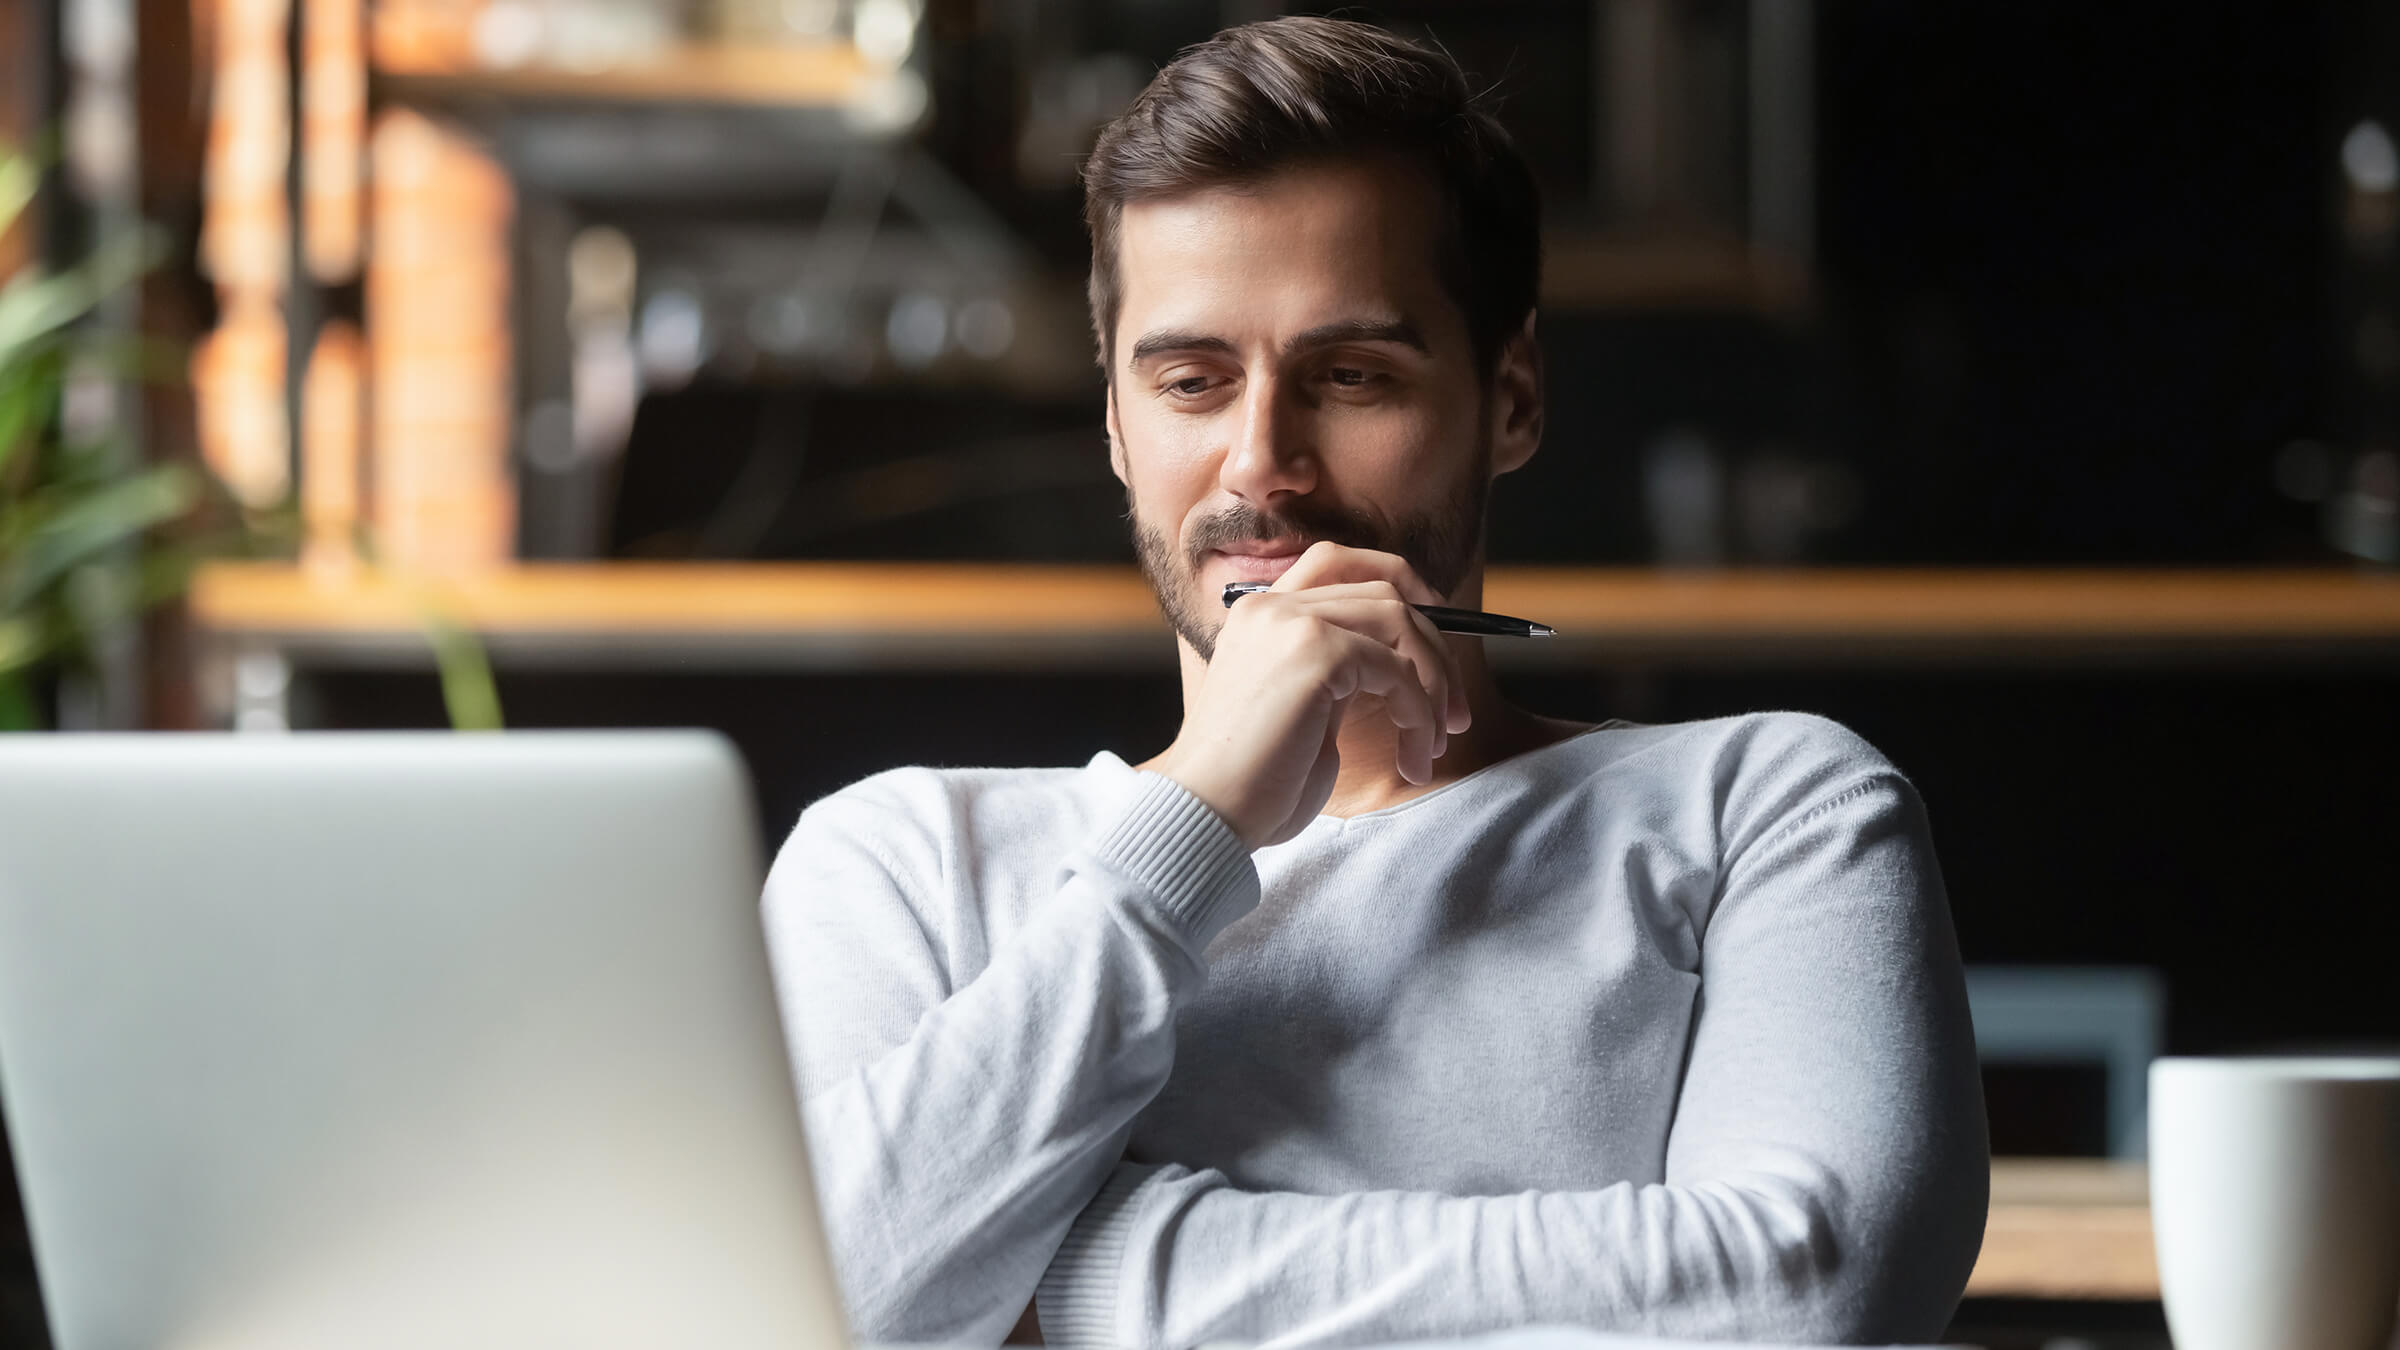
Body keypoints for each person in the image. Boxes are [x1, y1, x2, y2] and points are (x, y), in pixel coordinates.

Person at [762, 16, 1987, 1348]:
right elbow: (791, 1311)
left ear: (1511, 397)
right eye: (1190, 379)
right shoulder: (899, 862)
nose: (1260, 461)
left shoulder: (1768, 807)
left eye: (1350, 376)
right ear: (1116, 423)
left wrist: (1076, 1267)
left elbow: (1811, 1296)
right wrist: (1195, 821)